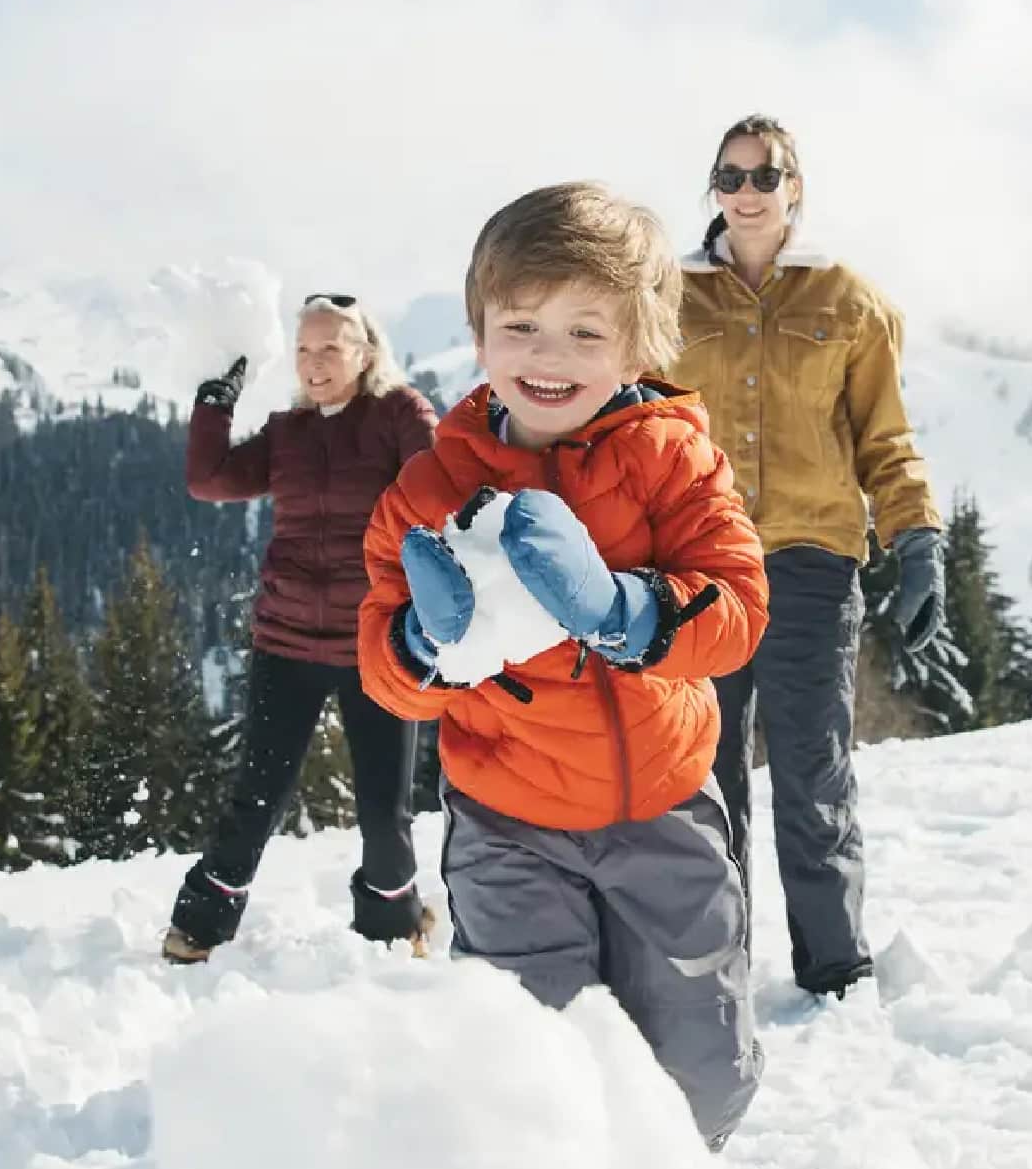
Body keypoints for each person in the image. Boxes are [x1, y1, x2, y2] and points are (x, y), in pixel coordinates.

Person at [358, 183, 769, 1150]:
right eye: (522, 325)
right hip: (509, 824)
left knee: (702, 1075)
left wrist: (627, 609)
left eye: (587, 333)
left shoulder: (673, 459)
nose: (548, 357)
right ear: (478, 331)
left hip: (663, 809)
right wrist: (427, 647)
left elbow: (740, 607)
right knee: (525, 1066)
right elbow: (381, 664)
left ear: (639, 346)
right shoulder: (430, 489)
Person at [671, 114, 945, 1000]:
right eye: (730, 176)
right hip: (699, 563)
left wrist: (917, 539)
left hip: (810, 560)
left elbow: (885, 439)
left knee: (809, 767)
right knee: (702, 773)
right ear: (712, 189)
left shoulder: (848, 301)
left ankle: (832, 967)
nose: (746, 192)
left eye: (764, 175)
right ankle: (715, 964)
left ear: (796, 188)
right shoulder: (669, 298)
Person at [164, 294, 440, 964]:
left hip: (373, 643)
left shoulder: (397, 415)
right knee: (254, 796)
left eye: (330, 347)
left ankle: (391, 926)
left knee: (383, 810)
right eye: (304, 349)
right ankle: (197, 928)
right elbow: (208, 480)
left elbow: (438, 486)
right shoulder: (287, 431)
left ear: (365, 351)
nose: (314, 363)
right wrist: (214, 402)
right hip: (284, 643)